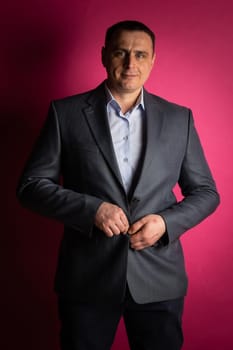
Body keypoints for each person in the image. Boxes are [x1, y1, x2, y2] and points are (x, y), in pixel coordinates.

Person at [17, 20, 220, 350]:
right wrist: (91, 209)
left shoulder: (179, 118)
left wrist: (165, 223)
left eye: (140, 55)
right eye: (121, 53)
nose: (130, 64)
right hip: (86, 279)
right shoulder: (64, 114)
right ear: (103, 56)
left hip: (160, 280)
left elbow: (206, 192)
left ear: (153, 60)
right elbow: (30, 185)